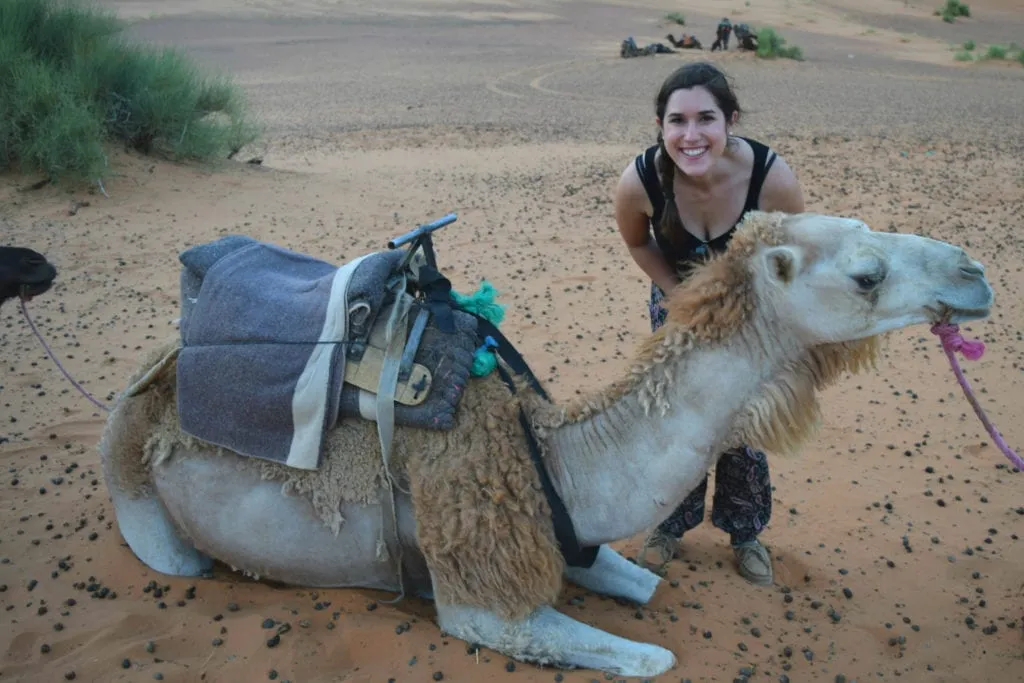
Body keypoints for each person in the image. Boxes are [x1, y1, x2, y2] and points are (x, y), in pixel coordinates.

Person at [611, 61, 805, 585]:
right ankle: (668, 525)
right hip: (678, 303)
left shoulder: (770, 176)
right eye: (677, 121)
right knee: (676, 418)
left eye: (706, 119)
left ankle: (745, 532)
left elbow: (793, 253)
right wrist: (682, 301)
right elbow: (636, 242)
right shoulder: (642, 179)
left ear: (730, 120)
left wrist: (754, 320)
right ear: (661, 125)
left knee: (742, 423)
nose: (691, 136)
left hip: (753, 310)